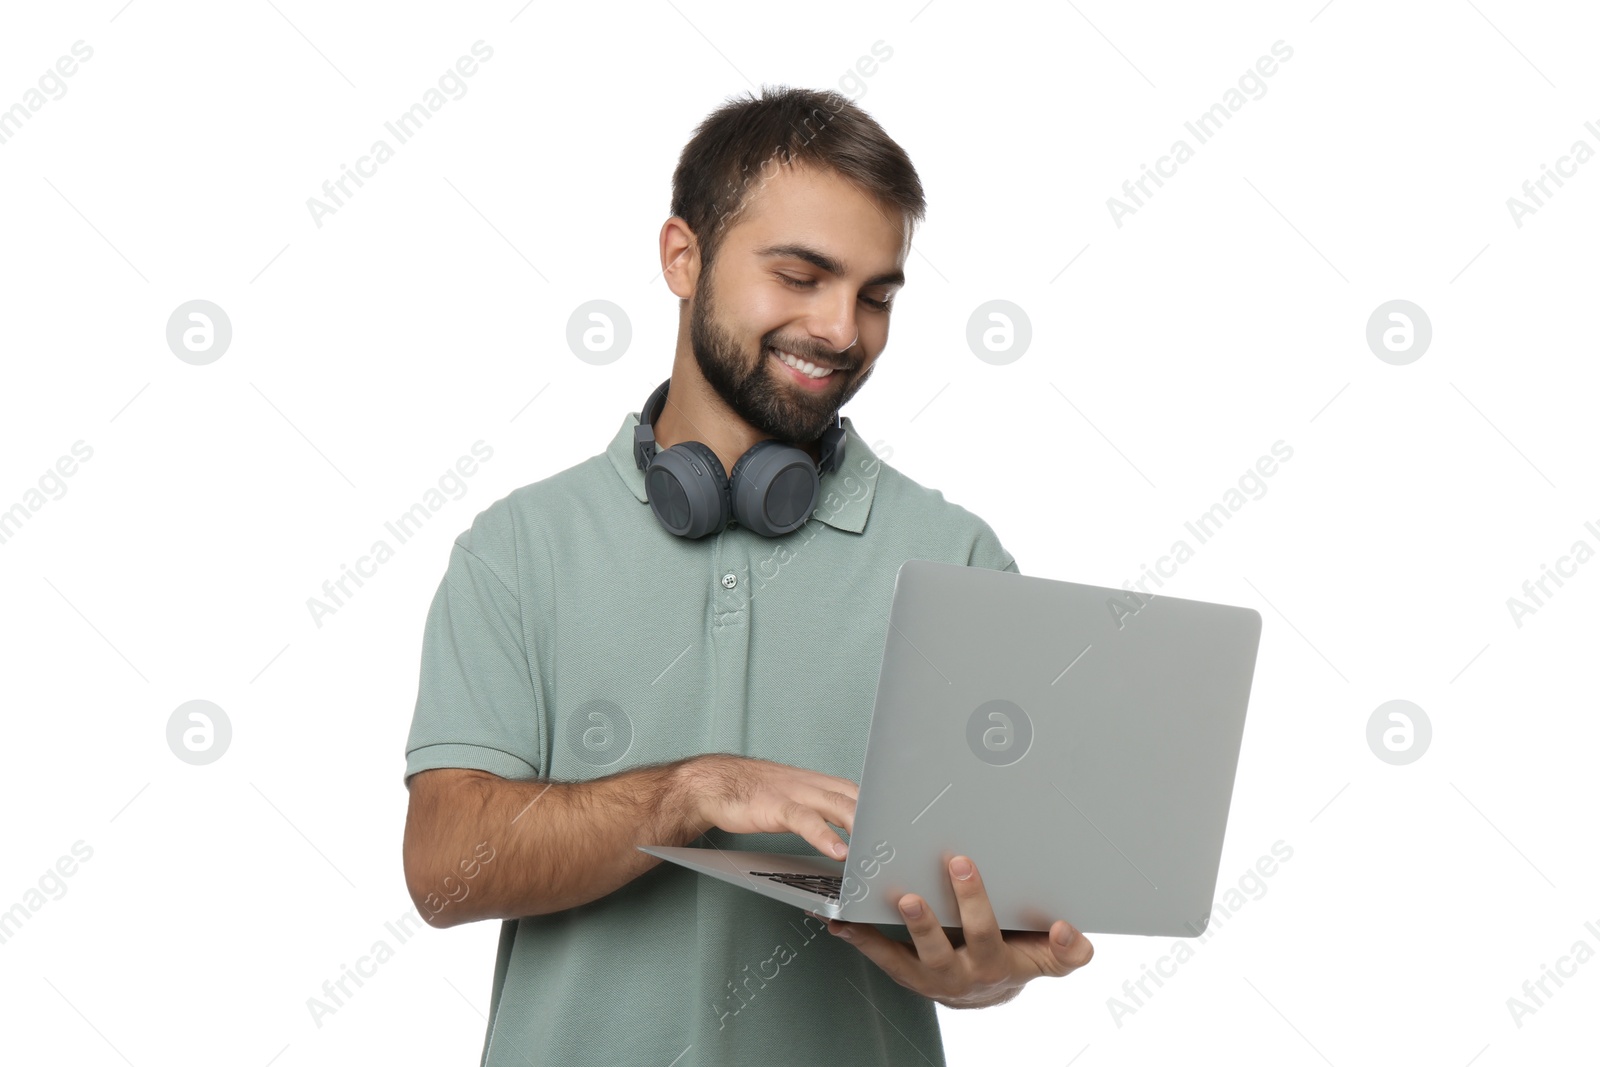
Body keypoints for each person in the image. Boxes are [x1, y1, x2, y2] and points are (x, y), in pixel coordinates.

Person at [401, 85, 1094, 1067]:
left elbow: (994, 911)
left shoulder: (958, 559)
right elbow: (443, 869)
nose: (842, 329)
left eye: (876, 294)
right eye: (801, 275)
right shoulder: (518, 548)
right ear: (682, 256)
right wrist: (696, 788)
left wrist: (984, 970)